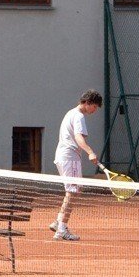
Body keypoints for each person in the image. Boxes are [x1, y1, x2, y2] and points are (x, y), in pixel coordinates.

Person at [50, 89, 103, 242]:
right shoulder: (79, 116)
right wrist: (90, 152)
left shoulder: (70, 113)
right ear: (87, 103)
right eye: (94, 106)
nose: (94, 110)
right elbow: (78, 138)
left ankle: (58, 222)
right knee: (72, 192)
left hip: (63, 157)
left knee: (73, 191)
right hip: (70, 157)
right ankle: (61, 230)